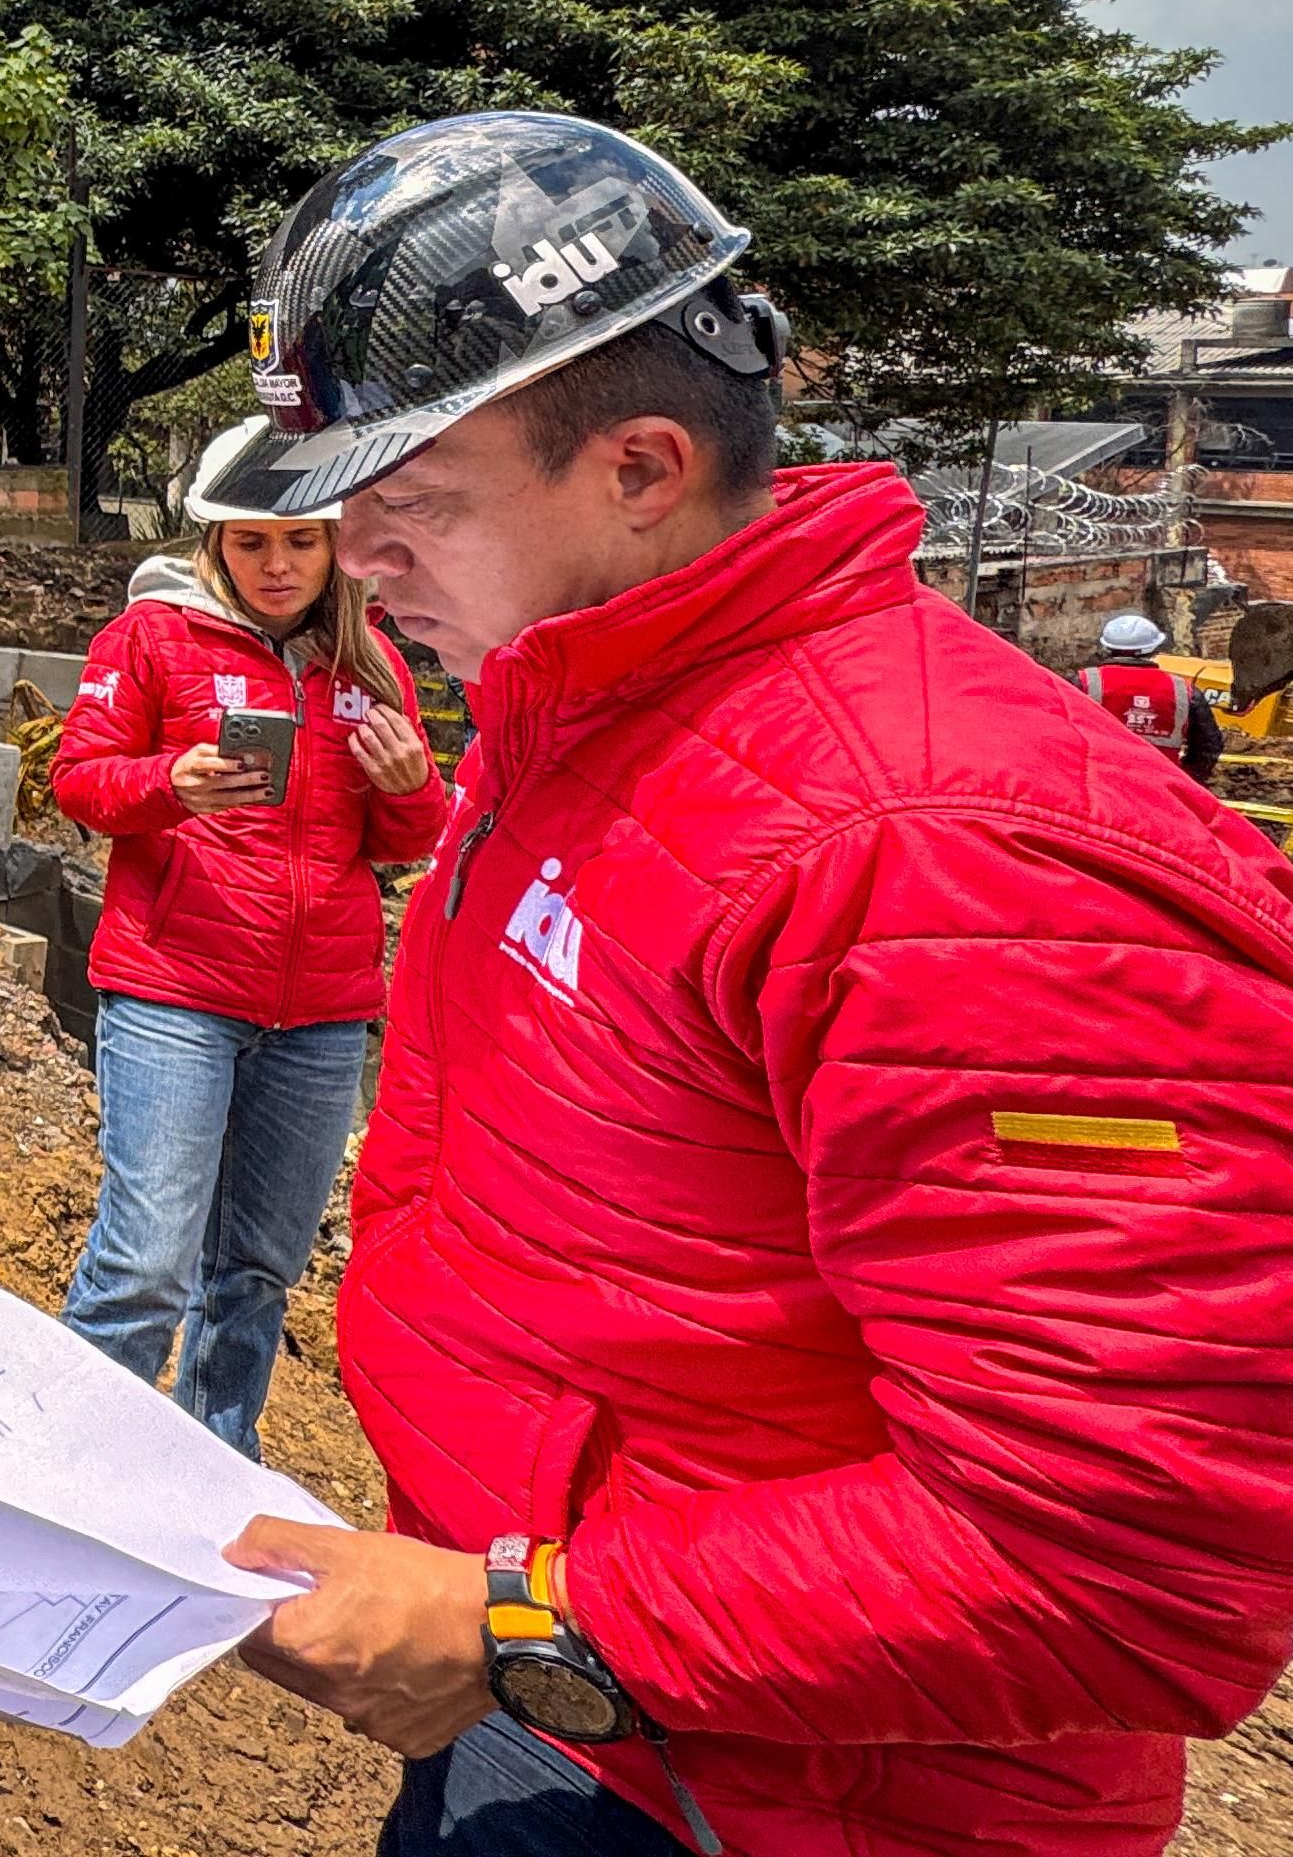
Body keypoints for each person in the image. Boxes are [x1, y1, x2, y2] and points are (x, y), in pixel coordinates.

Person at [194, 112, 1293, 1857]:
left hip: (776, 1789)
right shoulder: (593, 714)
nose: (362, 563)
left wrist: (528, 1629)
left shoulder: (948, 856)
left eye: (405, 504)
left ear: (638, 465)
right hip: (609, 1715)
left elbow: (1118, 1558)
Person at [49, 419, 444, 1460]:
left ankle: (211, 1471)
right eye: (252, 543)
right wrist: (162, 784)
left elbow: (399, 845)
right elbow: (78, 783)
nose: (277, 566)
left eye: (300, 543)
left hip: (318, 1015)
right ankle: (61, 1475)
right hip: (174, 991)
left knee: (257, 1273)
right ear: (214, 547)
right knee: (143, 1263)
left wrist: (415, 790)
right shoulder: (149, 639)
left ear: (333, 545)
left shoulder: (367, 666)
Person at [1077, 609, 1223, 789]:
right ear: (1154, 648)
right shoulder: (1183, 690)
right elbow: (1209, 746)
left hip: (1099, 783)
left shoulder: (1083, 683)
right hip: (1159, 788)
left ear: (1107, 647)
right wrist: (1186, 780)